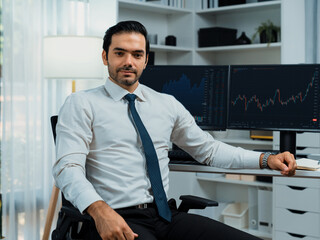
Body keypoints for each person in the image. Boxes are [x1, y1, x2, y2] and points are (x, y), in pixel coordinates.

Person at [53, 20, 297, 240]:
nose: (129, 61)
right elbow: (67, 168)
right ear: (105, 57)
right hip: (114, 218)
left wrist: (266, 159)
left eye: (137, 54)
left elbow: (208, 150)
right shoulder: (81, 103)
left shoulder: (165, 103)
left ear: (146, 60)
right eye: (120, 53)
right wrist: (100, 211)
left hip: (164, 216)